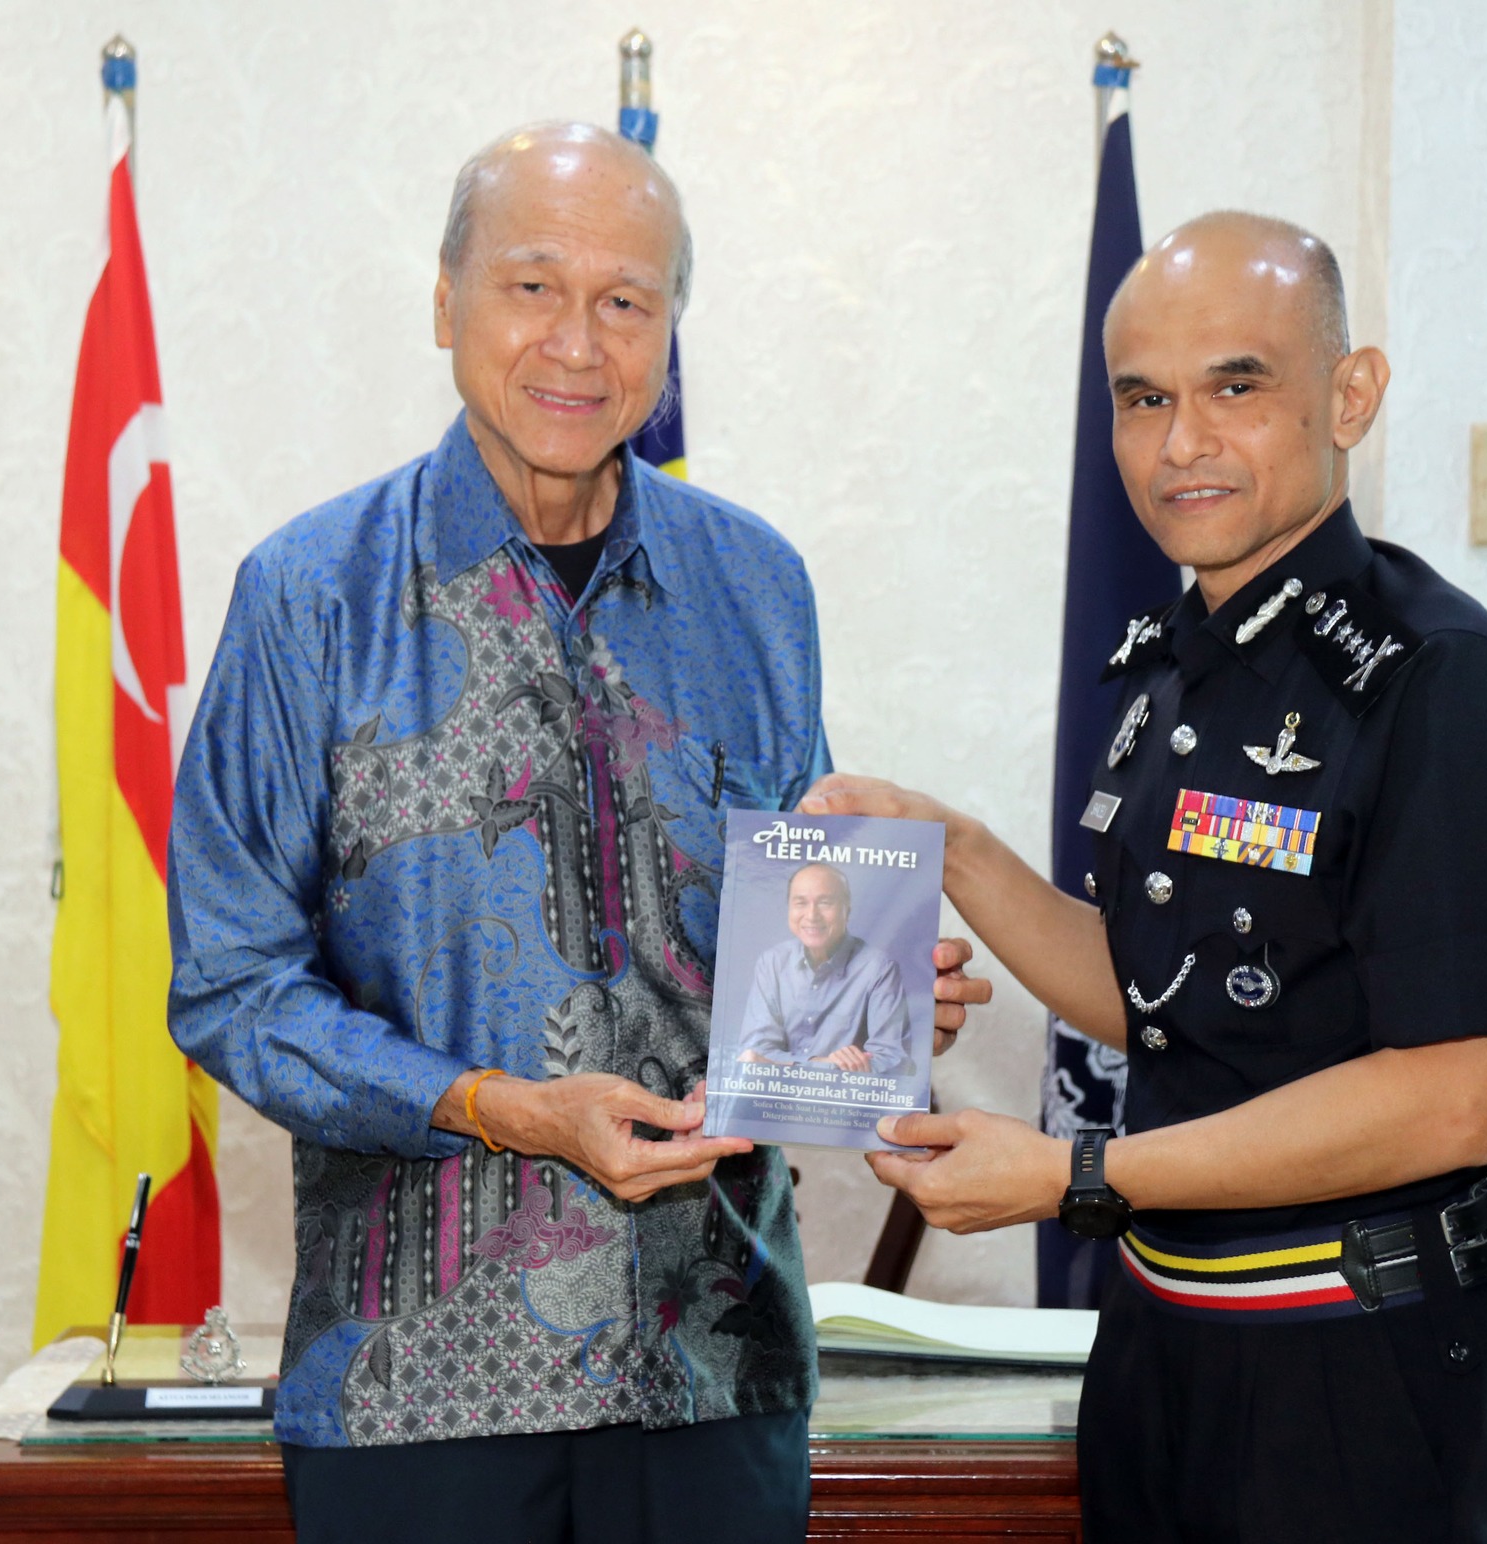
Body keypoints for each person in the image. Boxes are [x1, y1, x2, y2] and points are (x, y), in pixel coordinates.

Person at [166, 121, 988, 1544]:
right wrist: (501, 1105)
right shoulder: (308, 595)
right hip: (417, 1385)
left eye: (625, 300)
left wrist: (872, 993)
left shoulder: (755, 584)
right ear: (446, 300)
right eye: (532, 286)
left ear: (670, 331)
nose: (576, 341)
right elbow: (230, 985)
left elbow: (796, 925)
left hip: (716, 1362)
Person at [805, 211, 1487, 1543]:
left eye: (1235, 386)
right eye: (1143, 398)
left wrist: (1075, 1174)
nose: (1180, 442)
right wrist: (952, 846)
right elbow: (1160, 998)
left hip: (1350, 1359)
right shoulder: (1172, 663)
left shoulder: (1435, 677)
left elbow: (1451, 1098)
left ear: (1350, 395)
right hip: (1158, 1337)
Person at [737, 862, 913, 1076]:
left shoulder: (879, 969)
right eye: (800, 903)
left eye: (825, 902)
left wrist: (784, 1065)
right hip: (776, 1095)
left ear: (847, 910)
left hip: (846, 1095)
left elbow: (893, 1060)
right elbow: (754, 1051)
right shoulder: (772, 963)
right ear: (789, 909)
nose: (812, 915)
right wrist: (822, 1064)